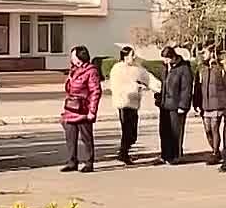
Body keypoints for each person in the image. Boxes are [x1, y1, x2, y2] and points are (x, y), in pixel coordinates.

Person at [108, 46, 161, 164]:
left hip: (134, 103)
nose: (134, 57)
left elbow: (148, 78)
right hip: (123, 103)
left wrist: (159, 87)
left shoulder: (136, 68)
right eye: (132, 55)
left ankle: (124, 150)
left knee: (133, 132)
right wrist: (134, 87)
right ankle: (123, 153)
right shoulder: (117, 69)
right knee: (127, 129)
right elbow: (116, 86)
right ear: (125, 57)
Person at [60, 45, 101, 173]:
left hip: (83, 109)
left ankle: (89, 162)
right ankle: (72, 161)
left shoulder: (91, 71)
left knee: (86, 138)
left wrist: (92, 111)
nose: (71, 58)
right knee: (70, 137)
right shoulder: (73, 70)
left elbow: (95, 92)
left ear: (80, 57)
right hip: (71, 108)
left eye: (73, 56)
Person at [156, 46, 193, 165]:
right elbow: (162, 85)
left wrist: (183, 105)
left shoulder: (184, 68)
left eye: (166, 59)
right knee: (164, 131)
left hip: (176, 105)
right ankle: (165, 154)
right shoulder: (165, 68)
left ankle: (175, 155)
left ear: (172, 57)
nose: (164, 61)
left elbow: (186, 88)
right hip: (164, 105)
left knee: (175, 132)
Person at [193, 45, 226, 165]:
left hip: (217, 104)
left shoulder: (220, 68)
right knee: (207, 130)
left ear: (212, 53)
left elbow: (225, 86)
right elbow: (197, 87)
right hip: (204, 104)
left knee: (214, 128)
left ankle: (215, 152)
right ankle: (214, 149)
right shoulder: (201, 69)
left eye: (205, 52)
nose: (203, 55)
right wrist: (196, 103)